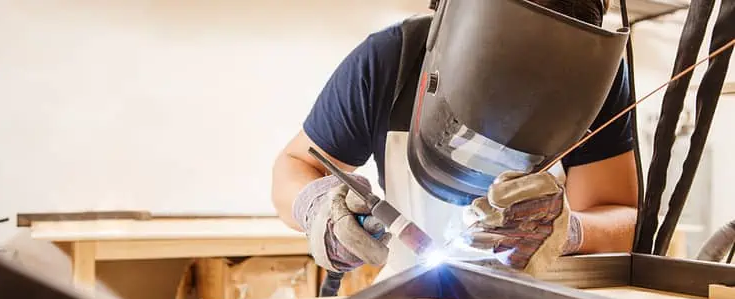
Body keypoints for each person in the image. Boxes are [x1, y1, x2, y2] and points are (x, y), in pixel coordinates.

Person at [272, 0, 638, 280]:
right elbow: (297, 164)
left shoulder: (594, 76)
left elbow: (620, 217)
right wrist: (316, 206)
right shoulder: (392, 60)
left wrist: (570, 231)